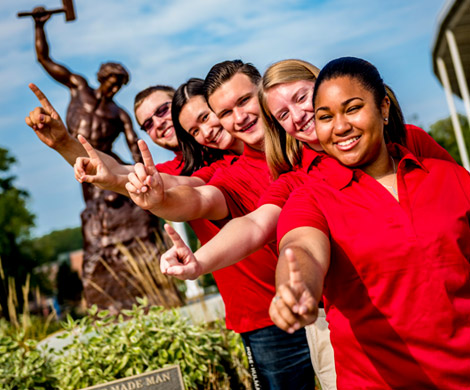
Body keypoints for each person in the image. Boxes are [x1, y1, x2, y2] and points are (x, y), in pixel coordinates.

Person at [160, 58, 456, 390]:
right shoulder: (301, 182)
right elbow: (266, 229)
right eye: (283, 114)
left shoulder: (411, 147)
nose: (299, 115)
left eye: (302, 99)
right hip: (359, 341)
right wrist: (200, 261)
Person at [270, 56, 470, 389]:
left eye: (352, 108)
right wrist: (296, 288)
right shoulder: (311, 198)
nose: (339, 127)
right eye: (325, 117)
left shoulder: (450, 178)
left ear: (384, 107)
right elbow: (300, 246)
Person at [126, 60, 316, 390]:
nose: (234, 119)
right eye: (195, 130)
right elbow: (200, 198)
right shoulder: (222, 172)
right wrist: (153, 197)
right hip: (265, 316)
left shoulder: (311, 137)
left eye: (242, 102)